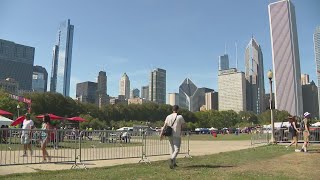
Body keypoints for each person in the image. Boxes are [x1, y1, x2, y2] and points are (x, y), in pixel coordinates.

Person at [160, 105, 186, 169]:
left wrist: (161, 134)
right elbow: (183, 125)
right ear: (178, 110)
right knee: (177, 149)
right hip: (176, 134)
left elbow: (164, 126)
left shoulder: (168, 116)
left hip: (169, 134)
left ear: (172, 110)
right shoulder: (180, 117)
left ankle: (174, 163)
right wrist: (182, 131)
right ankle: (172, 158)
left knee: (172, 148)